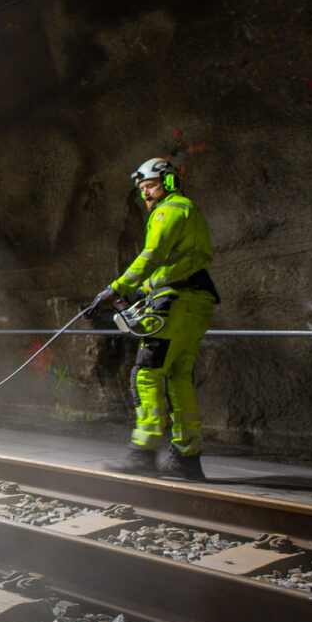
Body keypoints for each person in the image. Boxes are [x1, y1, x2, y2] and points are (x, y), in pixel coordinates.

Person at [89, 157, 219, 480]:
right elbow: (174, 266)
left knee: (145, 374)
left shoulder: (167, 210)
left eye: (149, 186)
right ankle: (187, 457)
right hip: (196, 303)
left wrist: (115, 289)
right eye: (142, 189)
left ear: (168, 182)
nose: (145, 195)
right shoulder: (192, 212)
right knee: (178, 378)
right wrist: (139, 292)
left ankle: (142, 455)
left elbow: (151, 256)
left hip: (173, 305)